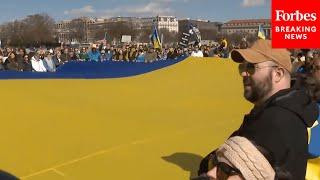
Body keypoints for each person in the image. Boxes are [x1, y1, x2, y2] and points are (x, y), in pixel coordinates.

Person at [198, 40, 318, 180]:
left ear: (277, 74)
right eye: (242, 68)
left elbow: (224, 169)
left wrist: (214, 164)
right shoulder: (278, 111)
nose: (243, 74)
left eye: (251, 67)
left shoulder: (274, 121)